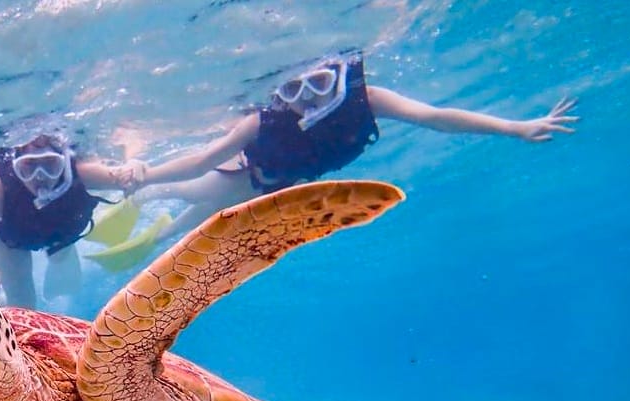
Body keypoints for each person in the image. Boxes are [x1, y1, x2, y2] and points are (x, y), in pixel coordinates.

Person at [88, 49, 580, 271]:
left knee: (196, 226)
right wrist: (143, 173)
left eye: (318, 85)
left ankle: (154, 237)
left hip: (272, 190)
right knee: (191, 193)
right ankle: (140, 196)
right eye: (293, 91)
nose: (306, 102)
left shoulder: (368, 98)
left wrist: (515, 127)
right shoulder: (259, 124)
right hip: (242, 177)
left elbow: (436, 117)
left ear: (338, 77)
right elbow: (200, 161)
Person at [0, 133, 135, 308]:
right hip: (11, 240)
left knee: (62, 258)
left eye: (51, 164)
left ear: (63, 162)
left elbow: (136, 177)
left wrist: (134, 169)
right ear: (14, 166)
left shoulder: (82, 173)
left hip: (61, 231)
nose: (40, 176)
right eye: (28, 166)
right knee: (22, 304)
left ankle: (59, 254)